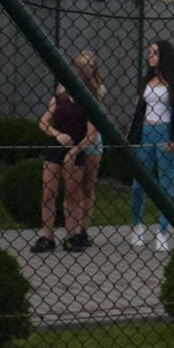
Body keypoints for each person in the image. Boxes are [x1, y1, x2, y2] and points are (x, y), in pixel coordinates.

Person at [126, 39, 174, 252]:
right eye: (149, 52)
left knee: (166, 185)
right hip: (145, 132)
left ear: (164, 56)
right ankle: (136, 226)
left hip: (165, 133)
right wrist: (132, 138)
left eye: (154, 53)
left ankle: (162, 232)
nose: (150, 56)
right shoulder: (146, 81)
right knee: (138, 183)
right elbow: (137, 111)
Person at [31, 78, 94, 253]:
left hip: (76, 149)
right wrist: (57, 134)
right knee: (48, 193)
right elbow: (43, 122)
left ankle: (71, 237)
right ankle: (47, 237)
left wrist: (74, 152)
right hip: (55, 148)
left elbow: (91, 136)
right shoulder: (58, 98)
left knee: (72, 195)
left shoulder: (88, 102)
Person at [66, 50, 106, 248]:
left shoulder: (99, 88)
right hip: (72, 138)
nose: (86, 69)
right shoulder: (66, 86)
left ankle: (83, 230)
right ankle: (71, 231)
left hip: (92, 141)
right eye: (83, 65)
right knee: (72, 189)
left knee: (87, 188)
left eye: (90, 65)